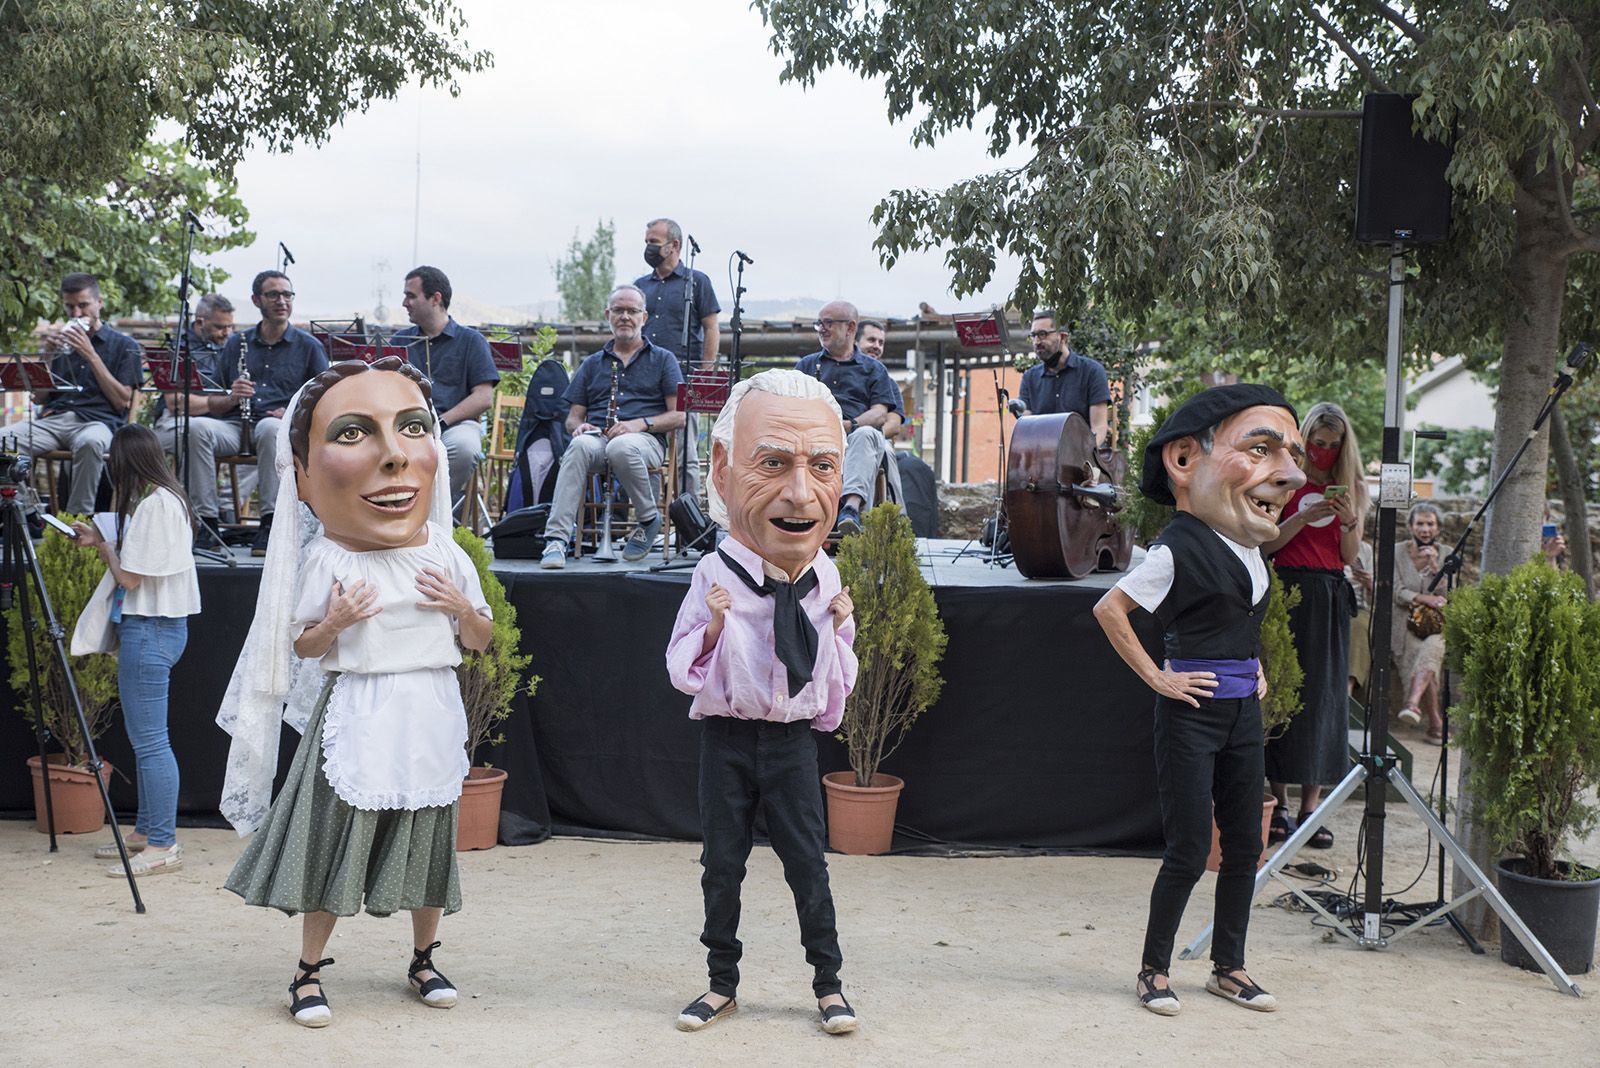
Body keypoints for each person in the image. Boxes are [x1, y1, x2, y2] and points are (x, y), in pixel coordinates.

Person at [218, 356, 493, 1028]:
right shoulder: (329, 558)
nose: (394, 456)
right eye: (352, 433)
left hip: (430, 706)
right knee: (333, 837)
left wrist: (462, 607)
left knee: (429, 838)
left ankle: (424, 959)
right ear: (302, 477)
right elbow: (303, 647)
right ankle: (308, 970)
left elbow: (481, 639)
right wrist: (334, 622)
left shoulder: (445, 550)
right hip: (361, 709)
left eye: (413, 428)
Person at [1094, 383, 1304, 1017]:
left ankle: (1229, 968)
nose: (1291, 473)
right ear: (1184, 461)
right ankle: (1153, 970)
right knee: (1188, 849)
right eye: (1262, 449)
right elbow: (1110, 609)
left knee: (1244, 848)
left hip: (1243, 714)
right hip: (1191, 717)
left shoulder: (1250, 546)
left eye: (1292, 456)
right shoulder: (1177, 546)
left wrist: (1253, 664)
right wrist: (1159, 677)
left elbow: (1235, 617)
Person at [665, 369, 860, 1035]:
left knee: (808, 866)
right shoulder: (714, 573)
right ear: (723, 471)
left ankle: (829, 985)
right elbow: (681, 664)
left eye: (822, 466)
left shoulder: (825, 576)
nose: (801, 493)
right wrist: (716, 626)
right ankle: (721, 983)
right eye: (772, 463)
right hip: (727, 741)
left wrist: (839, 629)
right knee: (722, 867)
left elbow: (835, 670)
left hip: (791, 743)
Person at [67, 425, 201, 877]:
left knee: (151, 743)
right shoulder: (169, 499)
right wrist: (102, 539)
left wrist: (106, 549)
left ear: (126, 462)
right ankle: (147, 831)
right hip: (160, 628)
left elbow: (129, 578)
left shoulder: (154, 505)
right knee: (148, 742)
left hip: (150, 629)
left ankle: (162, 843)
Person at [1260, 402, 1367, 849]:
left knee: (1323, 698)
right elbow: (1267, 545)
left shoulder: (1353, 487)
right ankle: (1280, 804)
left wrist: (1349, 520)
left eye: (1333, 445)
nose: (1324, 452)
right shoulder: (1284, 479)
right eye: (1317, 443)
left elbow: (1348, 555)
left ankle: (1311, 808)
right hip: (1286, 589)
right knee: (1282, 692)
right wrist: (1301, 517)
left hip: (1327, 594)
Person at [183, 270, 329, 555]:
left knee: (269, 429)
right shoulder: (237, 343)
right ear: (256, 300)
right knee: (196, 428)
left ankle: (270, 521)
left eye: (287, 294)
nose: (281, 301)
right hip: (236, 425)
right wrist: (232, 396)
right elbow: (216, 397)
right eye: (273, 294)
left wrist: (292, 413)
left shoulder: (309, 346)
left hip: (277, 428)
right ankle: (207, 522)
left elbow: (325, 399)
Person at [540, 285, 685, 567]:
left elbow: (679, 416)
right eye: (618, 310)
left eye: (632, 311)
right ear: (608, 315)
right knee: (578, 446)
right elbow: (572, 418)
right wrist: (579, 428)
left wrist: (639, 424)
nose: (625, 317)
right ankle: (556, 540)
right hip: (599, 437)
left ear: (644, 317)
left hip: (646, 440)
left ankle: (648, 518)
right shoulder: (592, 363)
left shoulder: (664, 359)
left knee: (621, 446)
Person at [13, 273, 143, 514]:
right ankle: (27, 514)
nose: (76, 313)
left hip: (97, 422)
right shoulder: (61, 343)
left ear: (99, 303)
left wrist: (90, 354)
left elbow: (122, 401)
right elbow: (39, 397)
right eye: (69, 307)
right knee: (5, 441)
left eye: (83, 305)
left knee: (90, 443)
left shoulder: (125, 345)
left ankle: (78, 519)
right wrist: (47, 356)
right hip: (54, 420)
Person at [392, 265, 500, 509]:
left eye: (411, 296)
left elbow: (483, 397)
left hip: (455, 426)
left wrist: (440, 422)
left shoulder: (471, 340)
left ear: (435, 299)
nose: (404, 303)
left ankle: (425, 513)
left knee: (465, 448)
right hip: (404, 427)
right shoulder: (400, 341)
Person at [795, 301, 904, 535]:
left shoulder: (875, 370)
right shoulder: (806, 365)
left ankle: (851, 510)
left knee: (866, 434)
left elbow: (881, 414)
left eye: (828, 323)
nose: (822, 328)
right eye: (819, 323)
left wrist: (849, 425)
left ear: (850, 327)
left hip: (855, 438)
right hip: (811, 438)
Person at [636, 217, 720, 498]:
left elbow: (711, 327)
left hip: (685, 377)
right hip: (645, 379)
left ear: (674, 245)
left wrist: (705, 372)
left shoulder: (697, 281)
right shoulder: (640, 286)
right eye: (646, 242)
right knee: (644, 446)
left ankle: (688, 512)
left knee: (686, 454)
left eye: (654, 242)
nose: (648, 247)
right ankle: (650, 512)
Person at [1393, 502, 1449, 743]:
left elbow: (1448, 596)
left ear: (1438, 529)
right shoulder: (1397, 552)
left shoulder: (1446, 553)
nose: (1425, 529)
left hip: (1435, 625)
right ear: (1410, 526)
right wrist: (1424, 598)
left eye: (1430, 524)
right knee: (1422, 654)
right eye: (1420, 523)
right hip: (1404, 622)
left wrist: (1436, 567)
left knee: (1433, 647)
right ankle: (1436, 723)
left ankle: (1412, 704)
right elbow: (1395, 590)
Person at [1015, 310, 1110, 447]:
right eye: (1034, 335)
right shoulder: (1030, 377)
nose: (1036, 341)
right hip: (1043, 455)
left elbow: (1099, 428)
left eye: (1042, 334)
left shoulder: (1092, 371)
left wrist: (1084, 455)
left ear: (1063, 337)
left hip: (1081, 455)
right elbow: (1028, 428)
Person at [155, 292, 235, 453]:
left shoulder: (233, 345)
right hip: (177, 421)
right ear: (200, 322)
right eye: (220, 327)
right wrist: (225, 401)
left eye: (230, 327)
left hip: (221, 423)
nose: (227, 333)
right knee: (196, 434)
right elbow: (175, 404)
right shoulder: (177, 348)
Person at [1346, 540, 1375, 699]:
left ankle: (1348, 690)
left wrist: (1369, 583)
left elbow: (1373, 597)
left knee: (1360, 627)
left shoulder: (1365, 549)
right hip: (1330, 604)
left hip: (1357, 607)